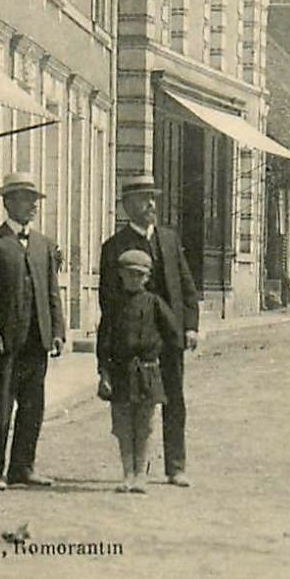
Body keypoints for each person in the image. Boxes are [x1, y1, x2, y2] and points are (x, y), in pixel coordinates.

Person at [99, 175, 200, 486]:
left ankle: (175, 466)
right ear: (128, 206)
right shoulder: (114, 247)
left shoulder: (169, 240)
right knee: (132, 404)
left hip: (169, 337)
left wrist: (191, 326)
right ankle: (134, 470)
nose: (151, 204)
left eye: (153, 198)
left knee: (174, 399)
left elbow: (186, 285)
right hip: (135, 344)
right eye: (144, 199)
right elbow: (108, 300)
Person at [0, 173, 65, 490]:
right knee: (0, 407)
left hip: (38, 339)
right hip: (5, 340)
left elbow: (52, 292)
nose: (33, 205)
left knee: (33, 406)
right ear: (8, 202)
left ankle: (23, 467)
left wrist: (58, 331)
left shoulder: (44, 245)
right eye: (26, 199)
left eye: (35, 199)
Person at [96, 249, 179, 493]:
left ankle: (141, 475)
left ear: (147, 277)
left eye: (139, 275)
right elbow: (104, 343)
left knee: (144, 425)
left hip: (147, 373)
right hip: (120, 373)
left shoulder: (154, 303)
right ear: (121, 275)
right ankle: (127, 474)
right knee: (123, 427)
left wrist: (158, 358)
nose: (134, 279)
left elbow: (173, 335)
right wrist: (104, 373)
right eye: (129, 274)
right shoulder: (113, 306)